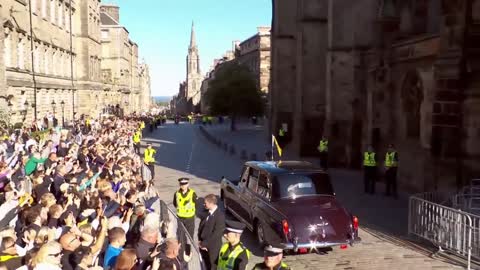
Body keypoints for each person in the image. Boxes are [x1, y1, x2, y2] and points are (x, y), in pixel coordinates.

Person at [198, 194, 225, 270]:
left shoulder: (219, 216)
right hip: (203, 245)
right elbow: (201, 227)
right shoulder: (207, 213)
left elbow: (216, 233)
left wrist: (204, 244)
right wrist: (200, 240)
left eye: (205, 203)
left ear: (211, 203)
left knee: (212, 266)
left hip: (213, 247)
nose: (204, 204)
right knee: (205, 264)